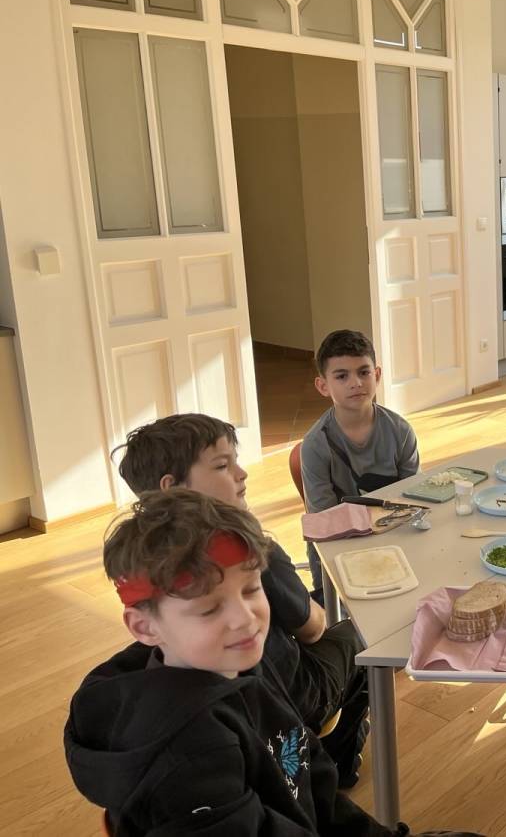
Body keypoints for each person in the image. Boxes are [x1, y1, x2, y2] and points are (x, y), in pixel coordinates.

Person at [64, 490, 480, 837]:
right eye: (209, 609)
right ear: (145, 627)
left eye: (250, 589)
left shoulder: (240, 667)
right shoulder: (190, 757)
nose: (245, 618)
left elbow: (312, 780)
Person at [115, 413, 370, 788]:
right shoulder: (249, 549)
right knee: (359, 635)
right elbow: (313, 630)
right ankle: (339, 761)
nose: (242, 473)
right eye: (222, 465)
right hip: (288, 699)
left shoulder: (143, 561)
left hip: (237, 703)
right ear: (172, 487)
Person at [301, 329, 420, 606]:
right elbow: (325, 522)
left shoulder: (400, 430)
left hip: (396, 540)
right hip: (340, 552)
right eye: (342, 376)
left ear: (376, 375)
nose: (355, 383)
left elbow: (413, 499)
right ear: (323, 386)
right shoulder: (315, 445)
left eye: (363, 372)